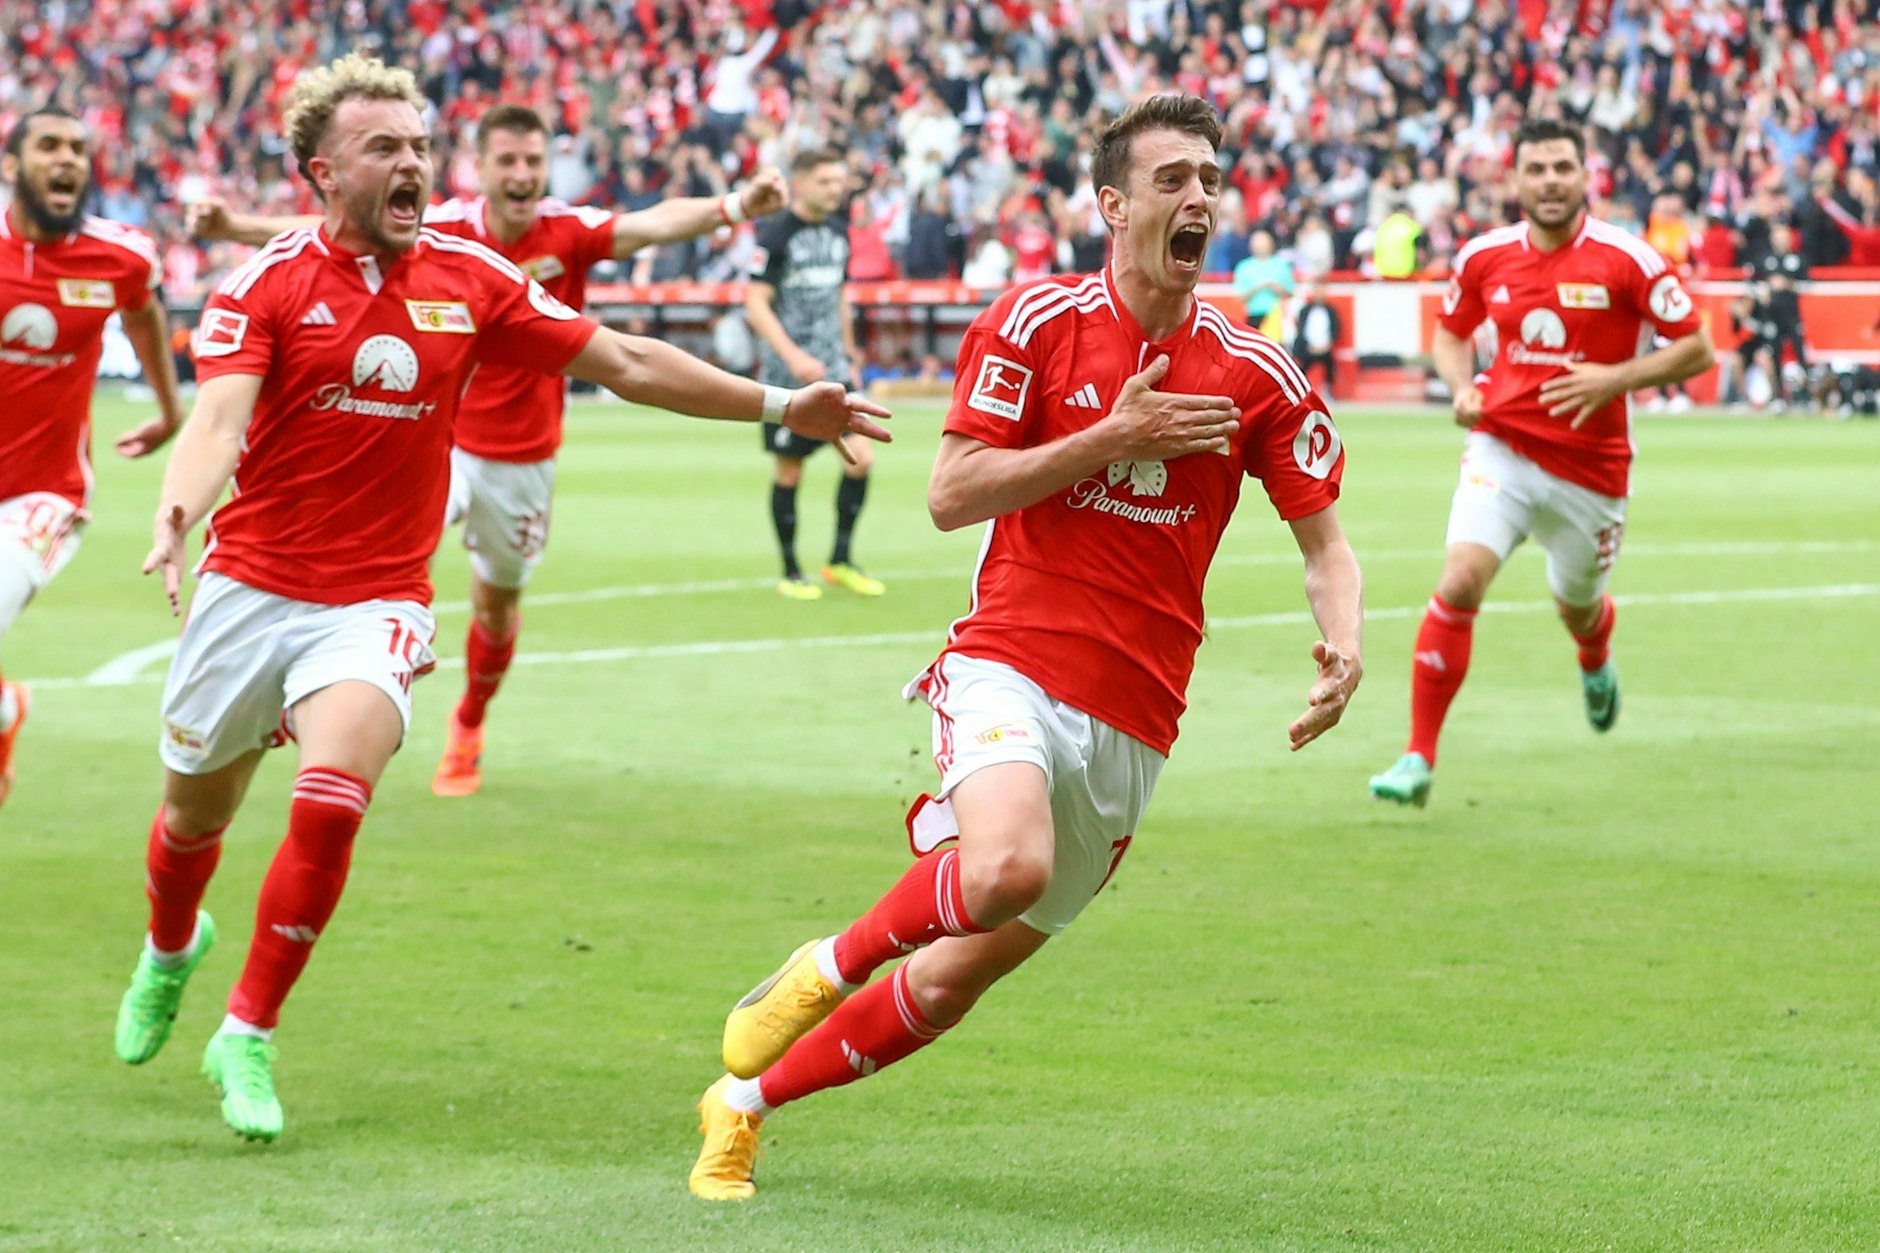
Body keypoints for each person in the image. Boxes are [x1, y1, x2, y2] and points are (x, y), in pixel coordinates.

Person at [109, 53, 889, 1145]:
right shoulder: (265, 281)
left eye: (422, 145)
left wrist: (777, 401)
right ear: (322, 171)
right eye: (388, 147)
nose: (414, 164)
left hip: (374, 597)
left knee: (334, 792)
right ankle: (169, 946)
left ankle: (247, 1027)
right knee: (192, 814)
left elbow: (619, 357)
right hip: (252, 585)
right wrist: (175, 513)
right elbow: (218, 421)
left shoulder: (469, 275)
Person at [686, 94, 1362, 1200]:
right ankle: (822, 966)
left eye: (1207, 175)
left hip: (1137, 718)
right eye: (1168, 179)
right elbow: (950, 493)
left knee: (952, 983)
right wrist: (1111, 434)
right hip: (1010, 658)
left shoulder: (1255, 374)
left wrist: (1342, 642)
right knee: (1003, 866)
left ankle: (742, 1105)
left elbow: (1324, 544)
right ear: (1111, 203)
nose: (1196, 196)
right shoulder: (1036, 322)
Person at [189, 105, 787, 797]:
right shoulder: (438, 227)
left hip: (525, 459)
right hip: (443, 444)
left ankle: (469, 718)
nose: (524, 174)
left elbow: (650, 223)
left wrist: (734, 205)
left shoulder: (565, 229)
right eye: (508, 160)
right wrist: (235, 227)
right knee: (370, 561)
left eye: (534, 160)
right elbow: (326, 228)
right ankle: (332, 689)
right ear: (480, 167)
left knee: (497, 608)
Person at [1368, 117, 1714, 809]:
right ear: (1515, 179)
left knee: (1577, 606)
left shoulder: (1629, 259)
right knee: (1462, 578)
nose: (1551, 181)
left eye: (1563, 167)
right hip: (1503, 447)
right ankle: (1417, 755)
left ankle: (1594, 657)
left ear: (1586, 176)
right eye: (1537, 169)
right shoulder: (1484, 257)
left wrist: (1613, 378)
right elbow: (1450, 334)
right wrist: (1463, 385)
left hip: (1592, 471)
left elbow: (1698, 347)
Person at [0, 107, 186, 808]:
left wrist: (170, 410)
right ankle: (6, 710)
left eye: (79, 148)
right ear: (13, 166)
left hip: (42, 497)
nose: (69, 159)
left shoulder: (121, 255)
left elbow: (142, 311)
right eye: (49, 146)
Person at [747, 147, 882, 601]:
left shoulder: (839, 232)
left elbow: (840, 295)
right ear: (800, 183)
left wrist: (847, 348)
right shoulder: (776, 233)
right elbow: (755, 303)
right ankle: (790, 569)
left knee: (862, 459)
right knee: (790, 469)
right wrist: (792, 356)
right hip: (790, 373)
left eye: (838, 180)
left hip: (836, 367)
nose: (835, 188)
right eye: (825, 181)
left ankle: (840, 560)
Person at [1230, 228, 1292, 337]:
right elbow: (1241, 296)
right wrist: (1257, 288)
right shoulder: (1243, 267)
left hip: (1277, 315)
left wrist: (1277, 289)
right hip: (1254, 315)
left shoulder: (1282, 265)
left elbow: (1291, 293)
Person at [1291, 281, 1342, 399]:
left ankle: (1328, 391)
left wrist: (1327, 345)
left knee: (1330, 364)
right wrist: (1309, 345)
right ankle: (1300, 392)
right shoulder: (1305, 310)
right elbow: (1301, 330)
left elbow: (1336, 330)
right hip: (1308, 348)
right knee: (1300, 368)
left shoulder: (1331, 311)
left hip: (1325, 347)